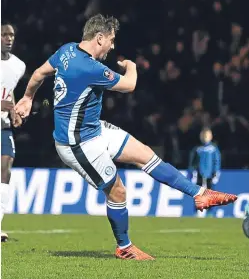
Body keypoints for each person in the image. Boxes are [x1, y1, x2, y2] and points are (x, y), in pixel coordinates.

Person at [15, 14, 237, 260]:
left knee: (145, 154)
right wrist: (132, 66)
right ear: (99, 38)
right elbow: (130, 85)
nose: (113, 46)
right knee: (118, 192)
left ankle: (199, 194)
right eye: (111, 40)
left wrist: (27, 97)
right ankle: (124, 247)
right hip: (77, 144)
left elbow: (38, 73)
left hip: (93, 130)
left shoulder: (66, 51)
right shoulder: (90, 68)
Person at [1, 23, 26, 242]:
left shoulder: (19, 66)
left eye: (12, 35)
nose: (9, 38)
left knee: (6, 166)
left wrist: (14, 111)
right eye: (4, 35)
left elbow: (9, 93)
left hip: (2, 127)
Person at [188, 128, 221, 196]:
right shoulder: (197, 148)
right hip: (199, 175)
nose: (205, 137)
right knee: (198, 194)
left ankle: (208, 206)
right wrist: (192, 172)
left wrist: (216, 172)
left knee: (209, 194)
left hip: (210, 175)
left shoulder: (213, 148)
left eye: (206, 135)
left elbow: (217, 161)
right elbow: (192, 161)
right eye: (203, 135)